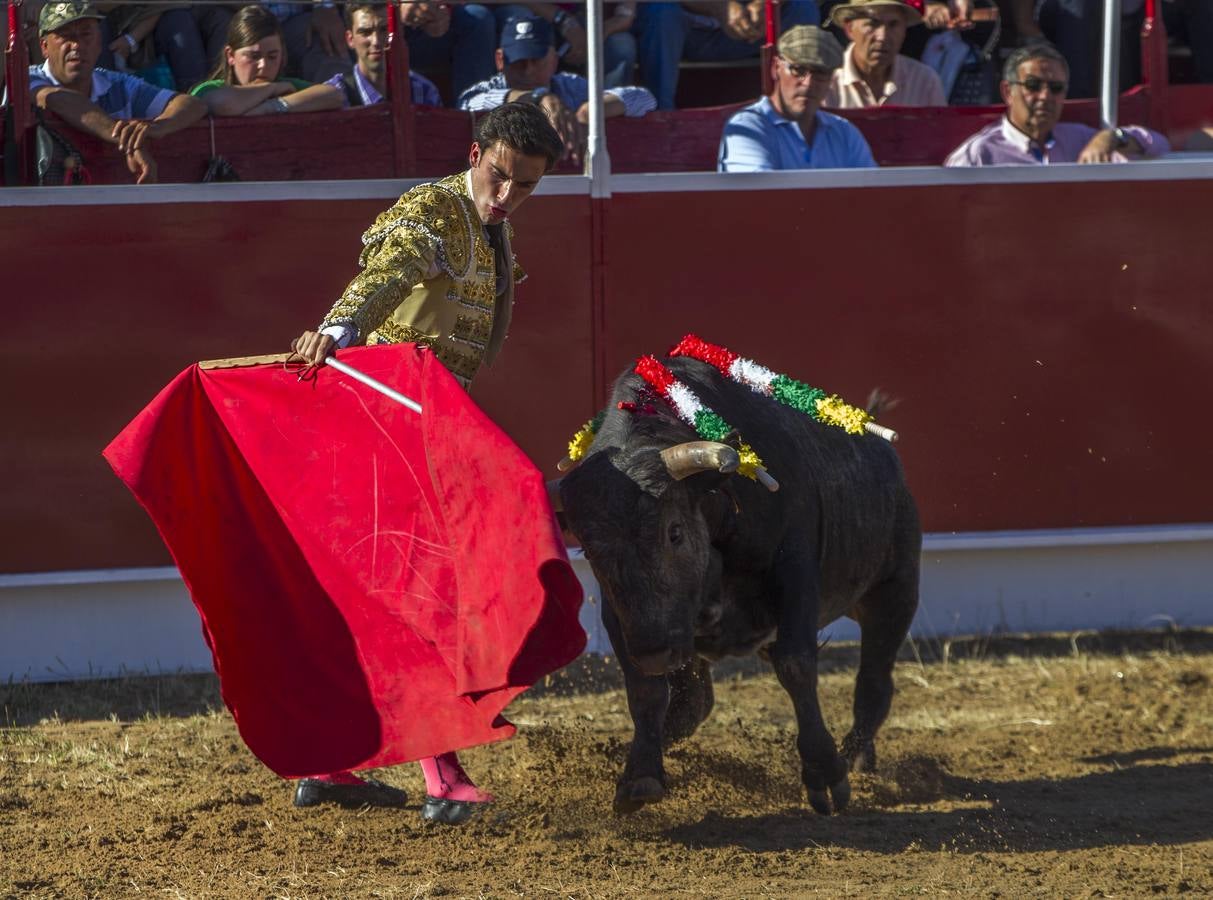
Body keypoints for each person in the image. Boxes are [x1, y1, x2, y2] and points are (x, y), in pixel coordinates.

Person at [288, 102, 563, 822]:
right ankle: (441, 775)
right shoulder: (435, 209)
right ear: (475, 154)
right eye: (499, 176)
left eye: (525, 186)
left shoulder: (491, 227)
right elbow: (391, 267)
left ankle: (330, 761)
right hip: (387, 420)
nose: (506, 196)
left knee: (378, 596)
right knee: (428, 590)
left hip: (424, 425)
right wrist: (340, 326)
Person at [27, 1, 207, 184]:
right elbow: (58, 99)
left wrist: (157, 127)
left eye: (86, 35)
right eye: (65, 36)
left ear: (99, 42)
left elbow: (192, 104)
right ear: (44, 47)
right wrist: (130, 143)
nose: (77, 45)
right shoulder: (27, 78)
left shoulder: (118, 84)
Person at [459, 14, 655, 165]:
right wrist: (539, 98)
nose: (528, 70)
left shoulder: (570, 85)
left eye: (536, 60)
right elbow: (467, 103)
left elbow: (645, 99)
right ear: (500, 60)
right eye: (518, 61)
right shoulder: (489, 88)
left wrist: (591, 112)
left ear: (553, 59)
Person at [944, 44, 1170, 166]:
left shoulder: (1081, 139)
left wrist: (1112, 137)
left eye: (1055, 88)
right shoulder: (978, 155)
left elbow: (1159, 145)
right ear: (1007, 92)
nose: (1045, 96)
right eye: (1033, 85)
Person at [718, 25, 876, 171]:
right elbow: (760, 197)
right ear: (776, 68)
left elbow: (872, 193)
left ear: (831, 79)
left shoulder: (844, 132)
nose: (808, 83)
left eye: (820, 73)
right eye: (798, 70)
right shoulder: (748, 126)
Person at [635, 0, 823, 110]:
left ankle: (799, 108)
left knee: (802, 6)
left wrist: (766, 5)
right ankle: (660, 114)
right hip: (683, 37)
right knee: (661, 11)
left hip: (748, 32)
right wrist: (719, 6)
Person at [189, 6, 343, 117]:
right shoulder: (209, 89)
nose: (263, 66)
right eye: (254, 56)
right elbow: (222, 104)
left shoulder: (284, 86)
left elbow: (334, 95)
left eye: (272, 56)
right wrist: (271, 89)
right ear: (230, 55)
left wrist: (273, 105)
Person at [824, 0, 947, 108]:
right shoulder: (825, 81)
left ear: (904, 30)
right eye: (872, 24)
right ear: (849, 29)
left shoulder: (924, 81)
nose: (882, 36)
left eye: (893, 25)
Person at [323, 4, 443, 108]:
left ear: (400, 33)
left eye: (384, 29)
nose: (376, 41)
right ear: (350, 39)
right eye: (365, 32)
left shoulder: (423, 91)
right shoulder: (334, 95)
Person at [400, 0, 497, 102]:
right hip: (395, 25)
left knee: (478, 17)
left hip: (438, 25)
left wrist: (440, 9)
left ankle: (473, 108)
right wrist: (397, 6)